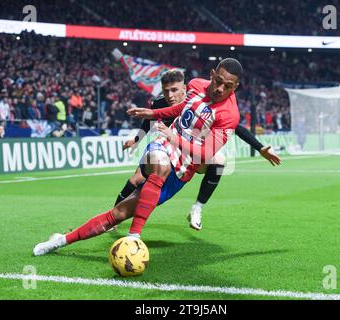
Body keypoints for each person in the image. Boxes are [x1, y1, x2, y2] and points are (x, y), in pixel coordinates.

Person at [32, 58, 270, 256]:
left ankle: (61, 240)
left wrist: (174, 136)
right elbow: (180, 110)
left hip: (182, 171)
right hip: (162, 147)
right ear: (212, 75)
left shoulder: (229, 115)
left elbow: (206, 153)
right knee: (160, 164)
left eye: (227, 86)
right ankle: (134, 238)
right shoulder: (196, 85)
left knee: (118, 214)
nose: (220, 89)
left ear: (235, 87)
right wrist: (153, 113)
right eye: (218, 81)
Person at [114, 69, 280, 231]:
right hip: (166, 149)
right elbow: (147, 122)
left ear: (184, 89)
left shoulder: (196, 98)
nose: (170, 95)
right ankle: (114, 217)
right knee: (136, 179)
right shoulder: (159, 103)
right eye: (166, 91)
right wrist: (136, 141)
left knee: (219, 160)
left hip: (193, 153)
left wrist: (260, 147)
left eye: (174, 90)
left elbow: (236, 127)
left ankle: (197, 208)